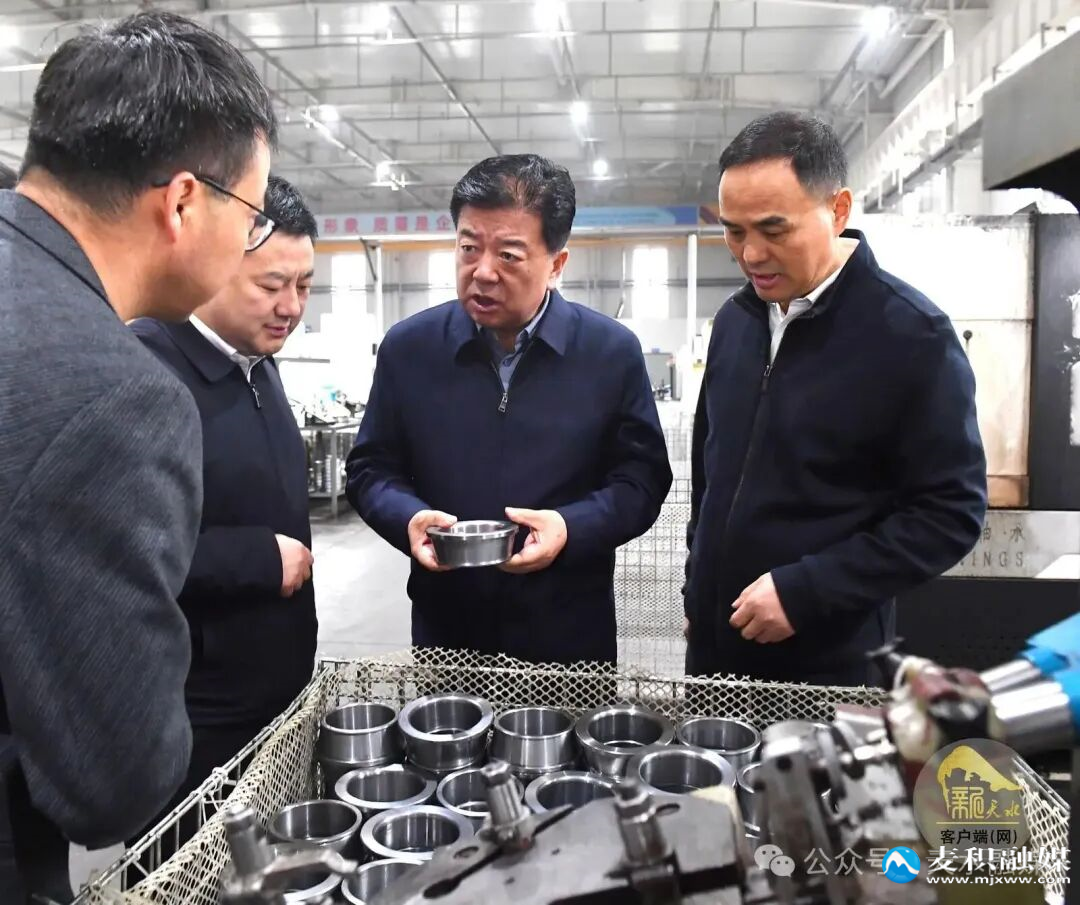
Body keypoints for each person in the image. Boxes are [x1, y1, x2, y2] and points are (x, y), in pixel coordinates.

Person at [0, 11, 275, 901]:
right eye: (252, 215)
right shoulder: (113, 394)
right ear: (184, 201)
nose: (250, 242)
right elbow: (113, 779)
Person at [683, 112, 987, 687]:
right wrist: (697, 590)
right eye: (734, 231)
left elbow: (949, 512)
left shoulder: (910, 335)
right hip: (715, 660)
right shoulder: (735, 323)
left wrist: (808, 590)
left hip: (826, 668)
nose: (751, 255)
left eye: (773, 230)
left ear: (838, 210)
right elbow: (709, 473)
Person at [347, 154, 672, 665]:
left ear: (556, 264)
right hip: (447, 633)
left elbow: (641, 480)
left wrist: (570, 527)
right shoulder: (410, 350)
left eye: (509, 255)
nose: (482, 272)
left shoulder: (609, 353)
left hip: (567, 637)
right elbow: (371, 470)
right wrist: (407, 519)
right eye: (468, 248)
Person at [129, 176, 318, 849]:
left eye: (304, 285)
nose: (290, 306)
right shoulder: (147, 369)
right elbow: (117, 550)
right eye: (272, 285)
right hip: (195, 715)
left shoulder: (257, 364)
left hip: (273, 696)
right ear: (215, 259)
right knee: (188, 869)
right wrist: (258, 559)